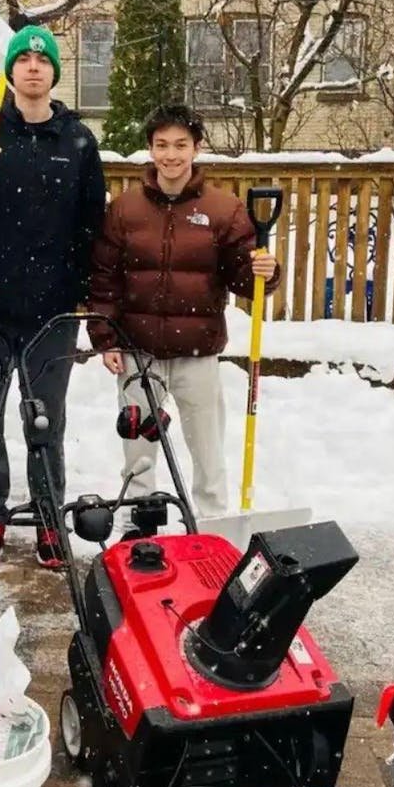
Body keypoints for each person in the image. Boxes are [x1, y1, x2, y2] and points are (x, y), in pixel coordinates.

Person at [0, 25, 106, 568]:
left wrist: (81, 294)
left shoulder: (77, 141)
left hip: (52, 308)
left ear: (54, 73)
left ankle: (46, 519)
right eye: (24, 58)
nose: (33, 66)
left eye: (43, 59)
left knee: (45, 419)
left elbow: (91, 224)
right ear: (9, 71)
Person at [87, 104, 280, 537]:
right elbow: (104, 279)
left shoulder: (223, 210)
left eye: (180, 145)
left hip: (198, 352)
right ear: (150, 149)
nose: (170, 155)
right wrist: (105, 338)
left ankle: (212, 528)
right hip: (138, 351)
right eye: (161, 145)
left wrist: (265, 274)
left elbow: (243, 277)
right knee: (139, 450)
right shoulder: (125, 210)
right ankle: (142, 524)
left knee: (207, 449)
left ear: (196, 148)